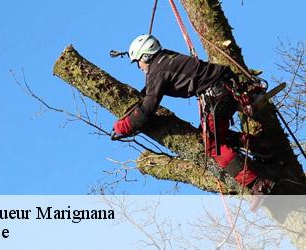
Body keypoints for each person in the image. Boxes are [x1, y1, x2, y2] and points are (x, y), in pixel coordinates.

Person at [113, 34, 274, 197]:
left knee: (212, 147)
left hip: (215, 95)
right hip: (227, 85)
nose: (139, 67)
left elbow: (148, 108)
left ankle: (258, 184)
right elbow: (151, 91)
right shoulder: (167, 57)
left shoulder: (157, 71)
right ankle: (262, 146)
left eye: (137, 62)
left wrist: (124, 126)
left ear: (146, 56)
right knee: (217, 136)